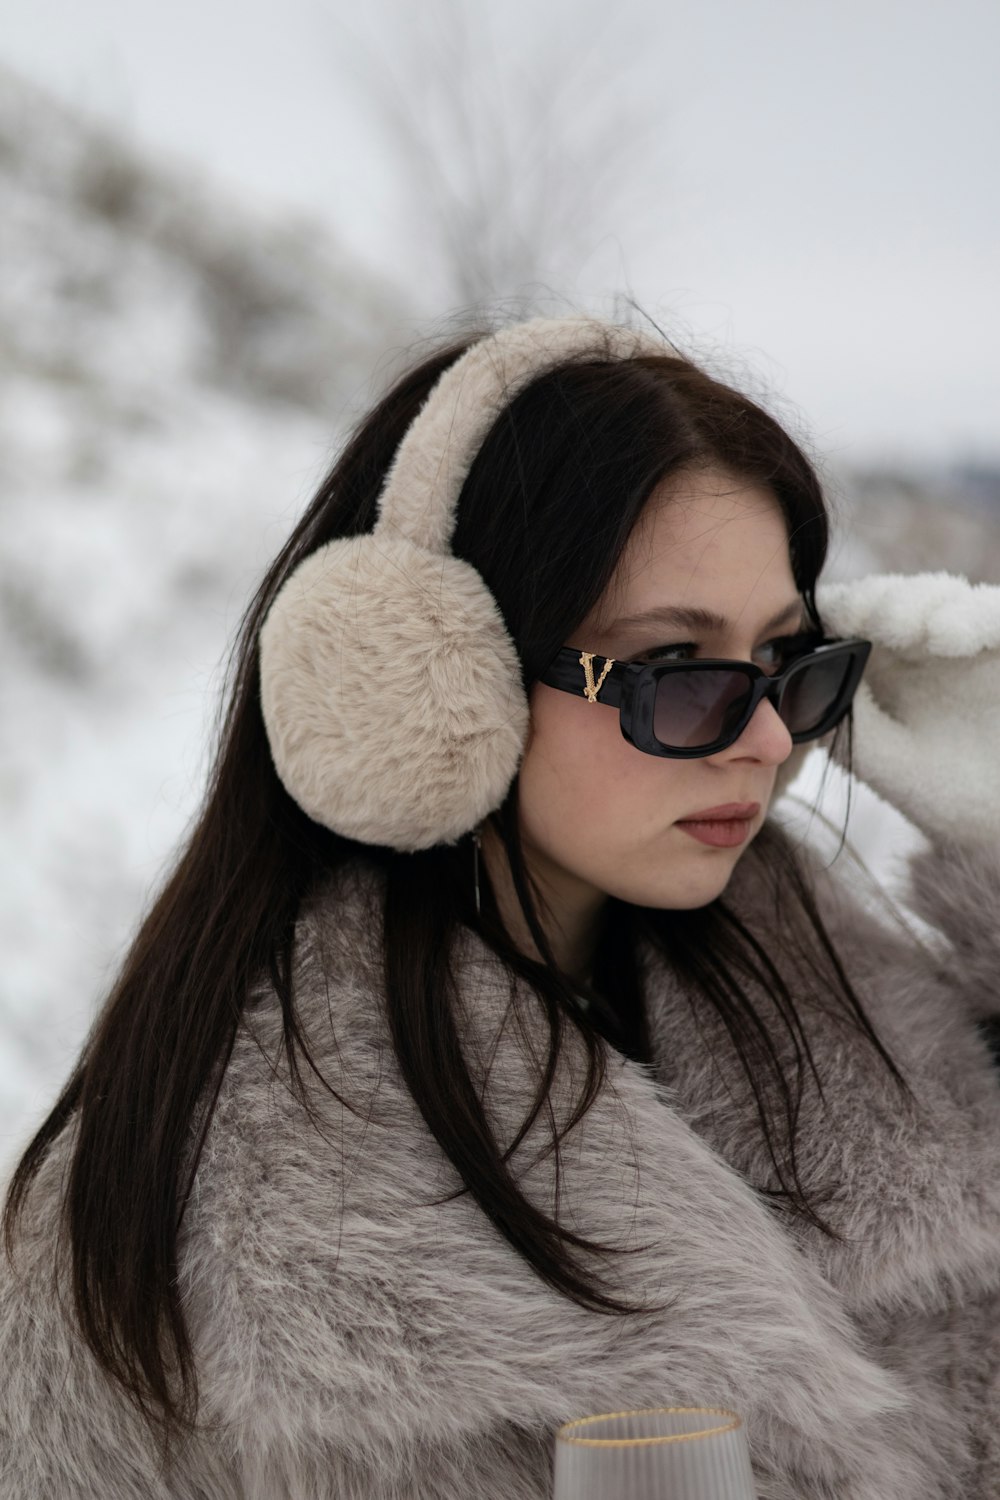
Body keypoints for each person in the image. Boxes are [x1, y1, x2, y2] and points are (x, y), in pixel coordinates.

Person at [2, 314, 1000, 1499]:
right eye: (680, 673)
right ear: (436, 681)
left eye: (790, 666)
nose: (771, 740)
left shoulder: (888, 1035)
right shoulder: (169, 1230)